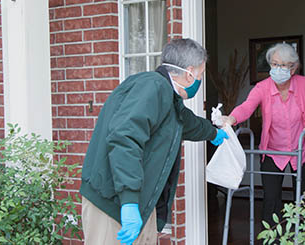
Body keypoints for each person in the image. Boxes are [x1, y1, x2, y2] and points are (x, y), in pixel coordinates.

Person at [79, 38, 229, 245]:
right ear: (189, 73)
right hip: (112, 202)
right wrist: (129, 201)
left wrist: (213, 133)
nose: (199, 80)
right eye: (201, 75)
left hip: (137, 199)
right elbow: (125, 138)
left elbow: (186, 122)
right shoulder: (152, 87)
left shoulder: (167, 96)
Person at [223, 43, 305, 227]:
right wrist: (231, 118)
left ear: (293, 68)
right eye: (274, 64)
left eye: (284, 65)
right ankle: (272, 239)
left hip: (301, 151)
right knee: (271, 200)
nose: (278, 69)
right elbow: (247, 106)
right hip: (272, 151)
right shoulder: (262, 88)